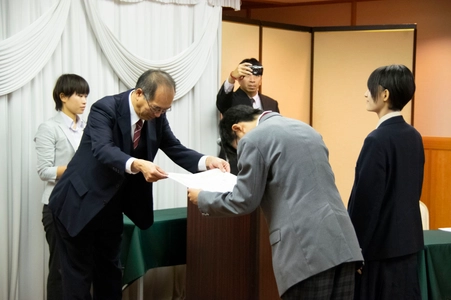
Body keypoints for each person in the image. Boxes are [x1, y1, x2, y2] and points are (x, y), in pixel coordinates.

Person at [48, 69, 229, 300]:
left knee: (110, 275)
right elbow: (103, 149)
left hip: (111, 207)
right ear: (139, 94)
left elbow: (174, 147)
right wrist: (138, 165)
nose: (160, 114)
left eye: (165, 110)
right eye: (156, 108)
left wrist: (207, 161)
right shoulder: (106, 109)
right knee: (77, 280)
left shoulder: (156, 117)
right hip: (77, 203)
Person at [188, 105, 363, 300]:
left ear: (237, 129)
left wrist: (202, 198)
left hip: (306, 251)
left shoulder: (253, 139)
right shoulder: (307, 130)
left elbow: (244, 200)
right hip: (344, 245)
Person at [347, 64, 424, 300]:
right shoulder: (414, 135)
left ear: (385, 94)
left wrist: (355, 250)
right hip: (408, 246)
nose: (365, 94)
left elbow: (366, 203)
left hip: (379, 252)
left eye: (370, 89)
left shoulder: (377, 140)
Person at [34, 74, 89, 300]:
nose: (85, 100)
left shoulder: (88, 127)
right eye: (79, 95)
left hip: (84, 207)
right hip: (57, 206)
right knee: (60, 269)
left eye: (86, 95)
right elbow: (44, 170)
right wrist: (77, 168)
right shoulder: (49, 128)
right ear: (63, 97)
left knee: (83, 268)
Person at [216, 58, 279, 174]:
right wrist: (231, 78)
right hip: (236, 159)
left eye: (256, 76)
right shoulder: (231, 100)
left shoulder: (271, 103)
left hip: (265, 159)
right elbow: (221, 102)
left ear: (261, 79)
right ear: (239, 79)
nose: (252, 80)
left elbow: (277, 130)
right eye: (247, 76)